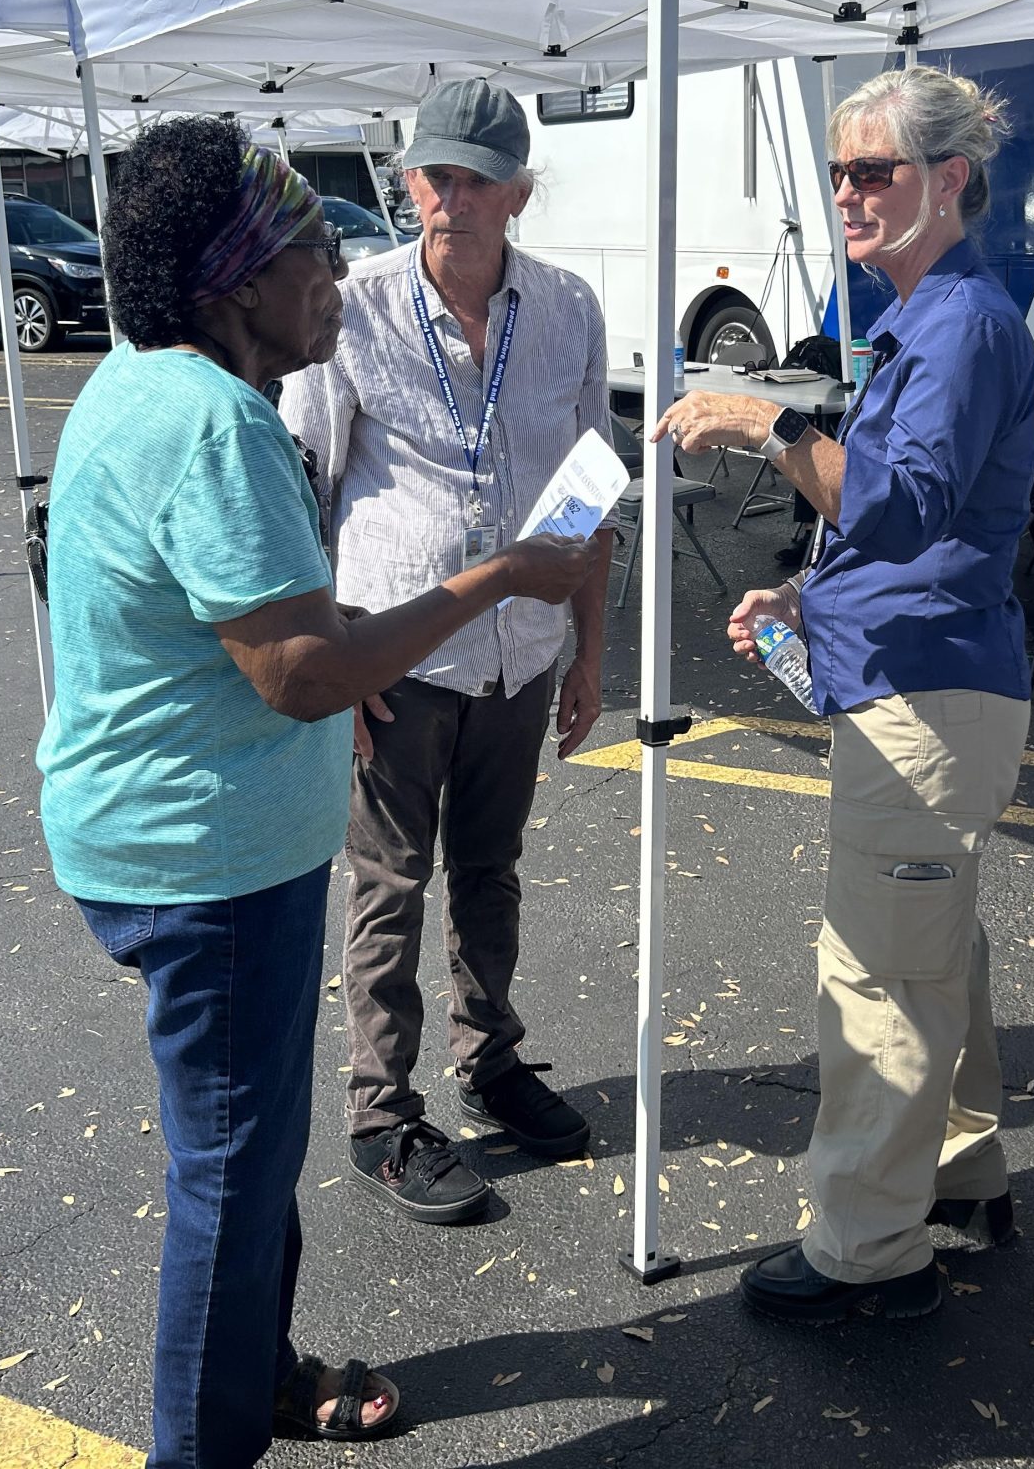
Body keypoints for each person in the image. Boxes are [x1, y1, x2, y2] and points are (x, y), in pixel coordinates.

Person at [35, 116, 593, 1469]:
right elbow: (297, 673)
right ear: (237, 283)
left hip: (177, 841)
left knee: (249, 1151)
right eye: (309, 250)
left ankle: (255, 1370)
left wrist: (346, 642)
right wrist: (496, 579)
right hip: (207, 867)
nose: (337, 275)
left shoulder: (142, 381)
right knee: (231, 1177)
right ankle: (202, 1444)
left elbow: (263, 618)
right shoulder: (215, 423)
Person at [653, 65, 1034, 1324]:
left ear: (949, 180)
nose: (847, 194)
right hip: (920, 683)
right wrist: (807, 600)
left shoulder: (959, 322)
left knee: (882, 980)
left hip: (926, 698)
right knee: (934, 953)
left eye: (873, 170)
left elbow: (902, 503)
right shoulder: (935, 314)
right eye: (837, 173)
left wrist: (764, 424)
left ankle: (868, 1255)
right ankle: (960, 1174)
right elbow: (913, 526)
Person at [280, 79, 614, 1227]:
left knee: (491, 869)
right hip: (395, 658)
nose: (450, 199)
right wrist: (333, 664)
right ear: (410, 180)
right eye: (434, 176)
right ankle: (380, 1112)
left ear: (519, 192)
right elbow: (305, 494)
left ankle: (490, 1058)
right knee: (389, 882)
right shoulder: (356, 309)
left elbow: (590, 495)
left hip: (519, 653)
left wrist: (589, 653)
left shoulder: (566, 307)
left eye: (476, 180)